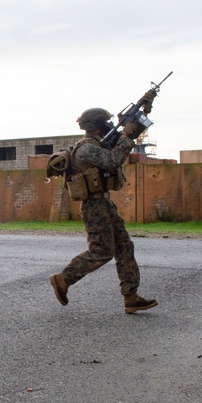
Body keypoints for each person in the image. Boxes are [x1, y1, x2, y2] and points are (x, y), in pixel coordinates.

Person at [49, 108, 156, 314]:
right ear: (96, 124)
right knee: (101, 252)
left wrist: (143, 109)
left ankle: (131, 296)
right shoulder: (86, 149)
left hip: (104, 203)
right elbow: (112, 159)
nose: (109, 124)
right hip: (93, 206)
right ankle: (63, 279)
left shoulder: (101, 143)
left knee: (124, 246)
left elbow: (118, 146)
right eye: (106, 121)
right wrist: (125, 136)